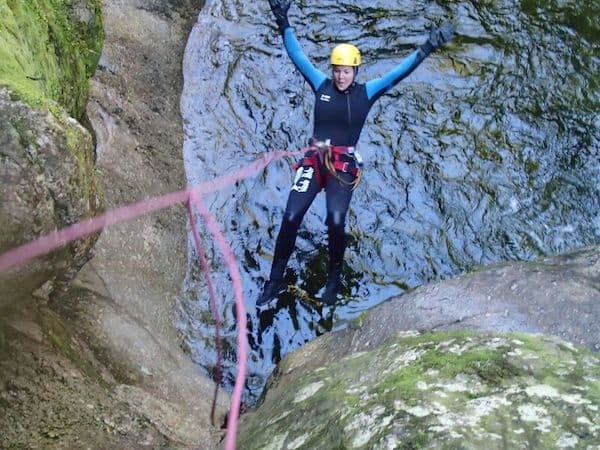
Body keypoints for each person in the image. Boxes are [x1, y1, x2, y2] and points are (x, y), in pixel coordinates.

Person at [258, 0, 454, 306]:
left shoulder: (367, 92)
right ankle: (275, 279)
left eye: (346, 71)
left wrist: (428, 47)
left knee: (335, 219)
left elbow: (399, 72)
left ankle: (334, 277)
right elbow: (298, 56)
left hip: (342, 166)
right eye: (337, 70)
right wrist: (283, 21)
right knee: (291, 214)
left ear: (355, 70)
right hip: (314, 160)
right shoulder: (320, 84)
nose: (340, 76)